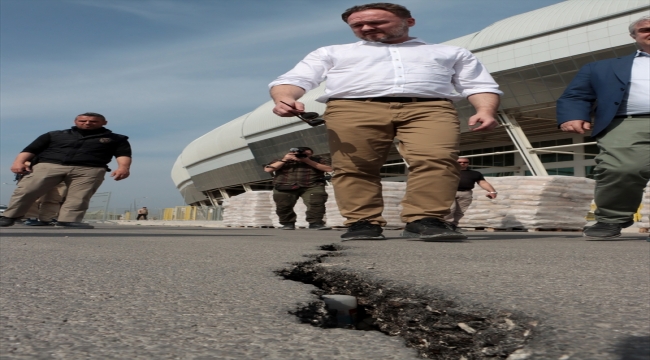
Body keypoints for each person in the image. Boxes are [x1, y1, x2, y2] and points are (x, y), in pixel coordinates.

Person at [269, 3, 501, 241]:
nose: (366, 28)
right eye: (357, 25)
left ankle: (425, 219)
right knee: (354, 166)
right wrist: (284, 98)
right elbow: (294, 79)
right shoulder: (332, 52)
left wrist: (485, 109)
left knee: (437, 160)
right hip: (353, 108)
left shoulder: (450, 53)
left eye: (377, 22)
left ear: (409, 22)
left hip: (429, 108)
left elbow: (479, 85)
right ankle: (363, 222)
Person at [557, 16, 650, 239]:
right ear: (633, 36)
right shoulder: (601, 68)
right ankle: (611, 218)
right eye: (645, 29)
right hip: (629, 122)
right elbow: (576, 95)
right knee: (620, 169)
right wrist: (573, 115)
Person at [0, 112, 132, 229]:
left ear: (104, 123)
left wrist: (123, 168)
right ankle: (9, 217)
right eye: (83, 121)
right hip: (49, 165)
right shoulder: (54, 135)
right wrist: (18, 162)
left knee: (80, 196)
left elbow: (123, 154)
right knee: (27, 190)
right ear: (75, 122)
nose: (87, 123)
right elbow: (30, 150)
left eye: (93, 121)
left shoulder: (117, 139)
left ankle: (69, 220)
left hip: (90, 168)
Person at [264, 147, 333, 230]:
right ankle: (287, 223)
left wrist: (307, 160)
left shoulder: (317, 160)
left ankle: (315, 223)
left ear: (311, 154)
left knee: (316, 203)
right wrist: (285, 160)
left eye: (307, 154)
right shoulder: (281, 160)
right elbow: (268, 169)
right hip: (285, 186)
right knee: (283, 205)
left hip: (311, 185)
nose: (303, 156)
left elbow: (329, 169)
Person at [444, 157, 497, 229]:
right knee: (450, 210)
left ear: (468, 164)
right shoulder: (448, 172)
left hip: (466, 194)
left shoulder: (475, 173)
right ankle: (445, 225)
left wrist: (492, 191)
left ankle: (452, 226)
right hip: (449, 192)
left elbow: (483, 183)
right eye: (459, 162)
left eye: (465, 162)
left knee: (459, 212)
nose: (462, 163)